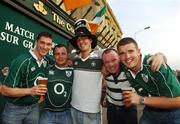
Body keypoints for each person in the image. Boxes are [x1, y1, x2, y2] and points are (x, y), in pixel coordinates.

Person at [117, 37, 180, 124]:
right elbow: (108, 58)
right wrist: (103, 67)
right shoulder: (124, 66)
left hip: (173, 114)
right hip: (149, 112)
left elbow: (178, 101)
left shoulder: (154, 65)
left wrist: (140, 99)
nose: (127, 57)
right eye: (122, 53)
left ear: (139, 51)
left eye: (131, 51)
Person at [1, 32, 53, 124]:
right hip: (15, 109)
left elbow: (61, 61)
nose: (45, 47)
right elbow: (4, 90)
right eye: (42, 43)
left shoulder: (47, 60)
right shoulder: (22, 61)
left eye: (48, 44)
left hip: (34, 107)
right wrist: (30, 91)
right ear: (36, 42)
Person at [69, 19, 103, 124]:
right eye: (78, 39)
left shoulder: (101, 56)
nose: (81, 41)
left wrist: (154, 56)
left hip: (91, 113)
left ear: (91, 40)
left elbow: (121, 55)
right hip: (73, 108)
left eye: (84, 38)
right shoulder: (73, 58)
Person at [39, 44, 73, 124]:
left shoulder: (73, 71)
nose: (60, 56)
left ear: (67, 55)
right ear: (53, 56)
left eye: (63, 54)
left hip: (67, 113)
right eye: (57, 54)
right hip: (47, 113)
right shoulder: (47, 69)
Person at [102, 48, 138, 124]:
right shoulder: (104, 72)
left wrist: (160, 56)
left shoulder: (129, 70)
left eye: (113, 60)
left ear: (119, 59)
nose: (111, 64)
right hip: (112, 111)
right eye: (107, 62)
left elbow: (143, 62)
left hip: (129, 110)